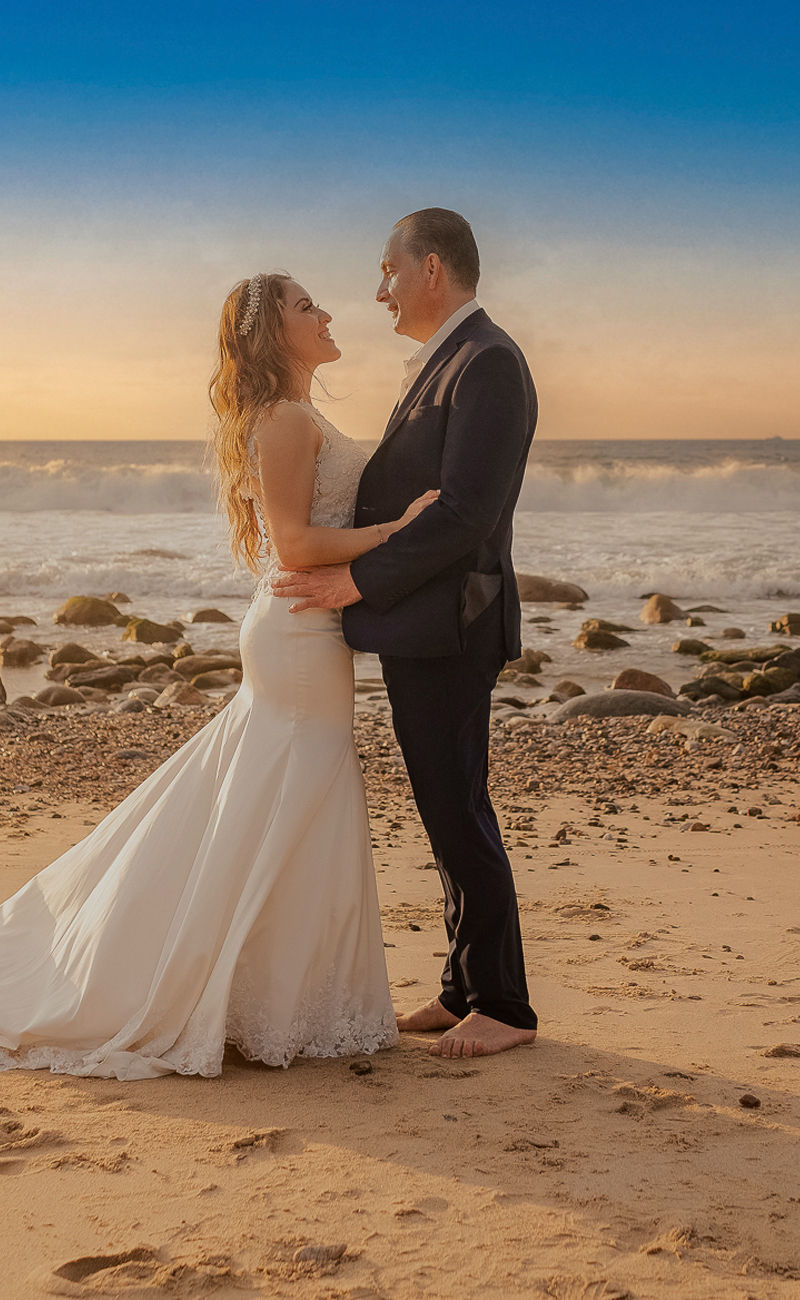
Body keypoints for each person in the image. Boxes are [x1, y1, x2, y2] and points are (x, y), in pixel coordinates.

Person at [0, 271, 437, 1081]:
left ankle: (277, 1001)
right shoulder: (283, 420)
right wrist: (399, 529)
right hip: (296, 632)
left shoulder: (299, 415)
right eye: (304, 306)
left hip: (309, 631)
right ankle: (242, 998)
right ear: (272, 335)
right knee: (290, 795)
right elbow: (293, 546)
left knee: (288, 803)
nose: (325, 314)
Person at [273, 209, 539, 1060]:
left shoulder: (488, 363)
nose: (377, 289)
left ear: (431, 268)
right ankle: (465, 987)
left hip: (454, 625)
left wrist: (354, 578)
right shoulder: (450, 361)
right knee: (441, 801)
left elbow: (465, 514)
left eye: (386, 270)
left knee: (457, 806)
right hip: (426, 625)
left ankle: (505, 1005)